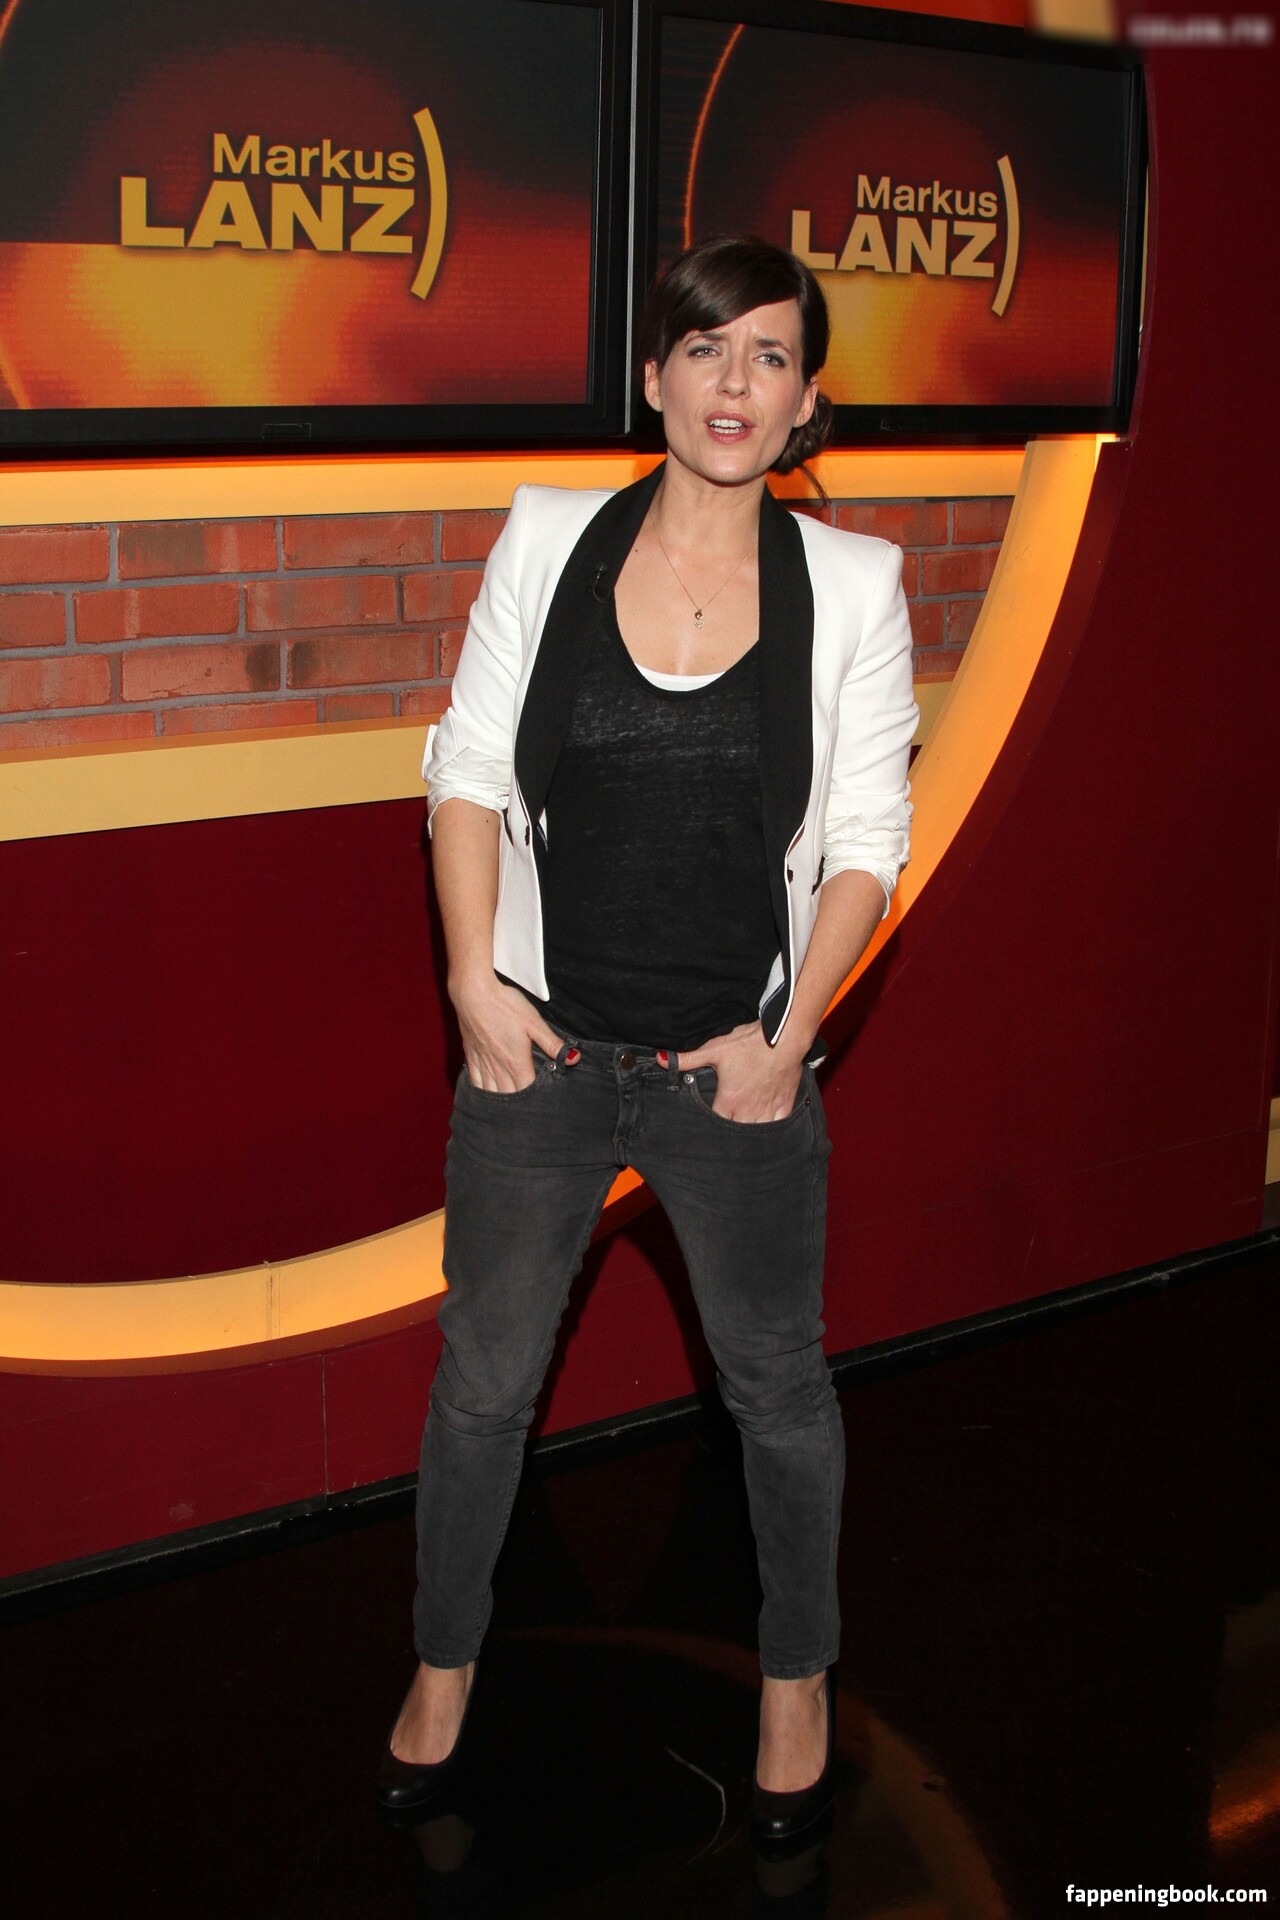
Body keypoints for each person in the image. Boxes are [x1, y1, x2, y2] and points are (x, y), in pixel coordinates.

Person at [377, 235, 918, 1846]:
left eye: (770, 355)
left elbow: (867, 845)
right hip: (540, 1058)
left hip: (732, 1069)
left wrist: (789, 1040)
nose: (734, 382)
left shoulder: (855, 588)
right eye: (705, 349)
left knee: (777, 1391)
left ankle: (798, 1677)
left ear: (807, 400)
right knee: (482, 1387)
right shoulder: (550, 537)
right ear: (656, 377)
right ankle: (443, 1664)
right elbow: (468, 771)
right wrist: (474, 985)